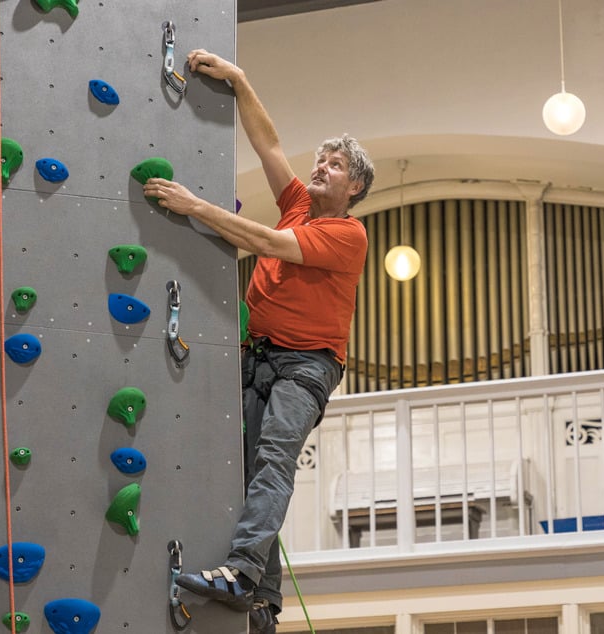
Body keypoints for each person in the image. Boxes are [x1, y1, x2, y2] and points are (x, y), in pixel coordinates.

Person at [143, 49, 375, 633]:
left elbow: (268, 245)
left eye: (336, 165)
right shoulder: (300, 205)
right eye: (321, 160)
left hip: (306, 366)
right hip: (261, 357)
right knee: (247, 471)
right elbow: (269, 145)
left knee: (274, 458)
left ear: (356, 187)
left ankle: (243, 572)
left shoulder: (348, 233)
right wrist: (241, 82)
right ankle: (265, 599)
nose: (320, 168)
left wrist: (196, 207)